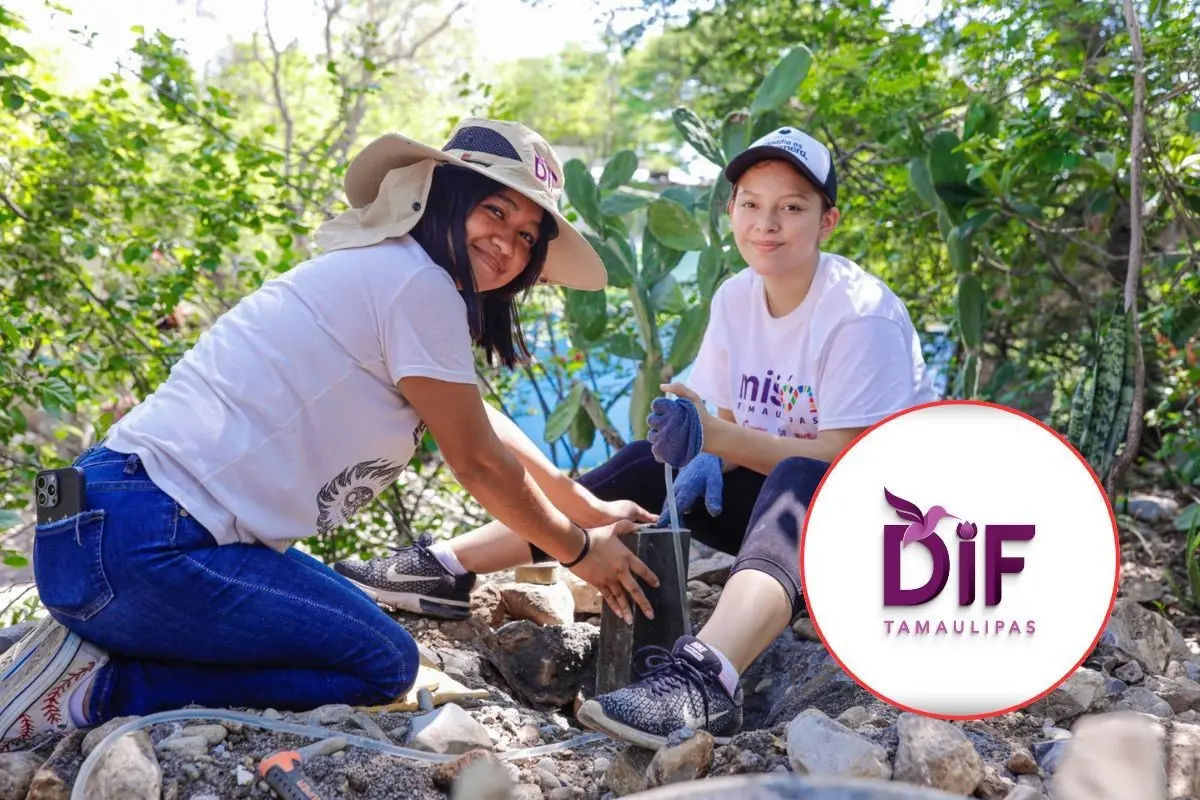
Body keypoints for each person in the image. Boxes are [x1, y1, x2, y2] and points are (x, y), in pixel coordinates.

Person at [0, 118, 664, 749]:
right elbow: (480, 465)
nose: (509, 243)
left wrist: (587, 506)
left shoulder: (396, 273)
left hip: (100, 527)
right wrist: (578, 552)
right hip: (146, 545)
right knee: (381, 662)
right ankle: (99, 689)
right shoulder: (419, 286)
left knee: (360, 617)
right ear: (441, 196)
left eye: (527, 236)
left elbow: (479, 427)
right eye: (495, 211)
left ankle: (97, 641)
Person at [334, 126, 939, 749]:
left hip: (872, 541)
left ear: (827, 221)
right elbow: (717, 409)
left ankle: (707, 681)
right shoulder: (737, 297)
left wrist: (717, 437)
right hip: (788, 534)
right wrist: (692, 432)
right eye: (752, 203)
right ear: (731, 211)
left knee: (799, 478)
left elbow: (848, 460)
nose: (768, 223)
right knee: (642, 464)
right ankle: (446, 568)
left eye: (792, 207)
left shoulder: (859, 312)